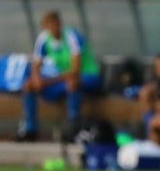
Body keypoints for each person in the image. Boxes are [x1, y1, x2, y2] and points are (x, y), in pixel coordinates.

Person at [16, 11, 101, 141]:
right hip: (62, 79)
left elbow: (75, 71)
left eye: (55, 24)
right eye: (48, 26)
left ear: (59, 24)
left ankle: (74, 128)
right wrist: (36, 79)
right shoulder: (44, 39)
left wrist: (47, 82)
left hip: (88, 76)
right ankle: (30, 129)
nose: (52, 28)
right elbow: (37, 64)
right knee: (28, 85)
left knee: (72, 84)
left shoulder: (71, 36)